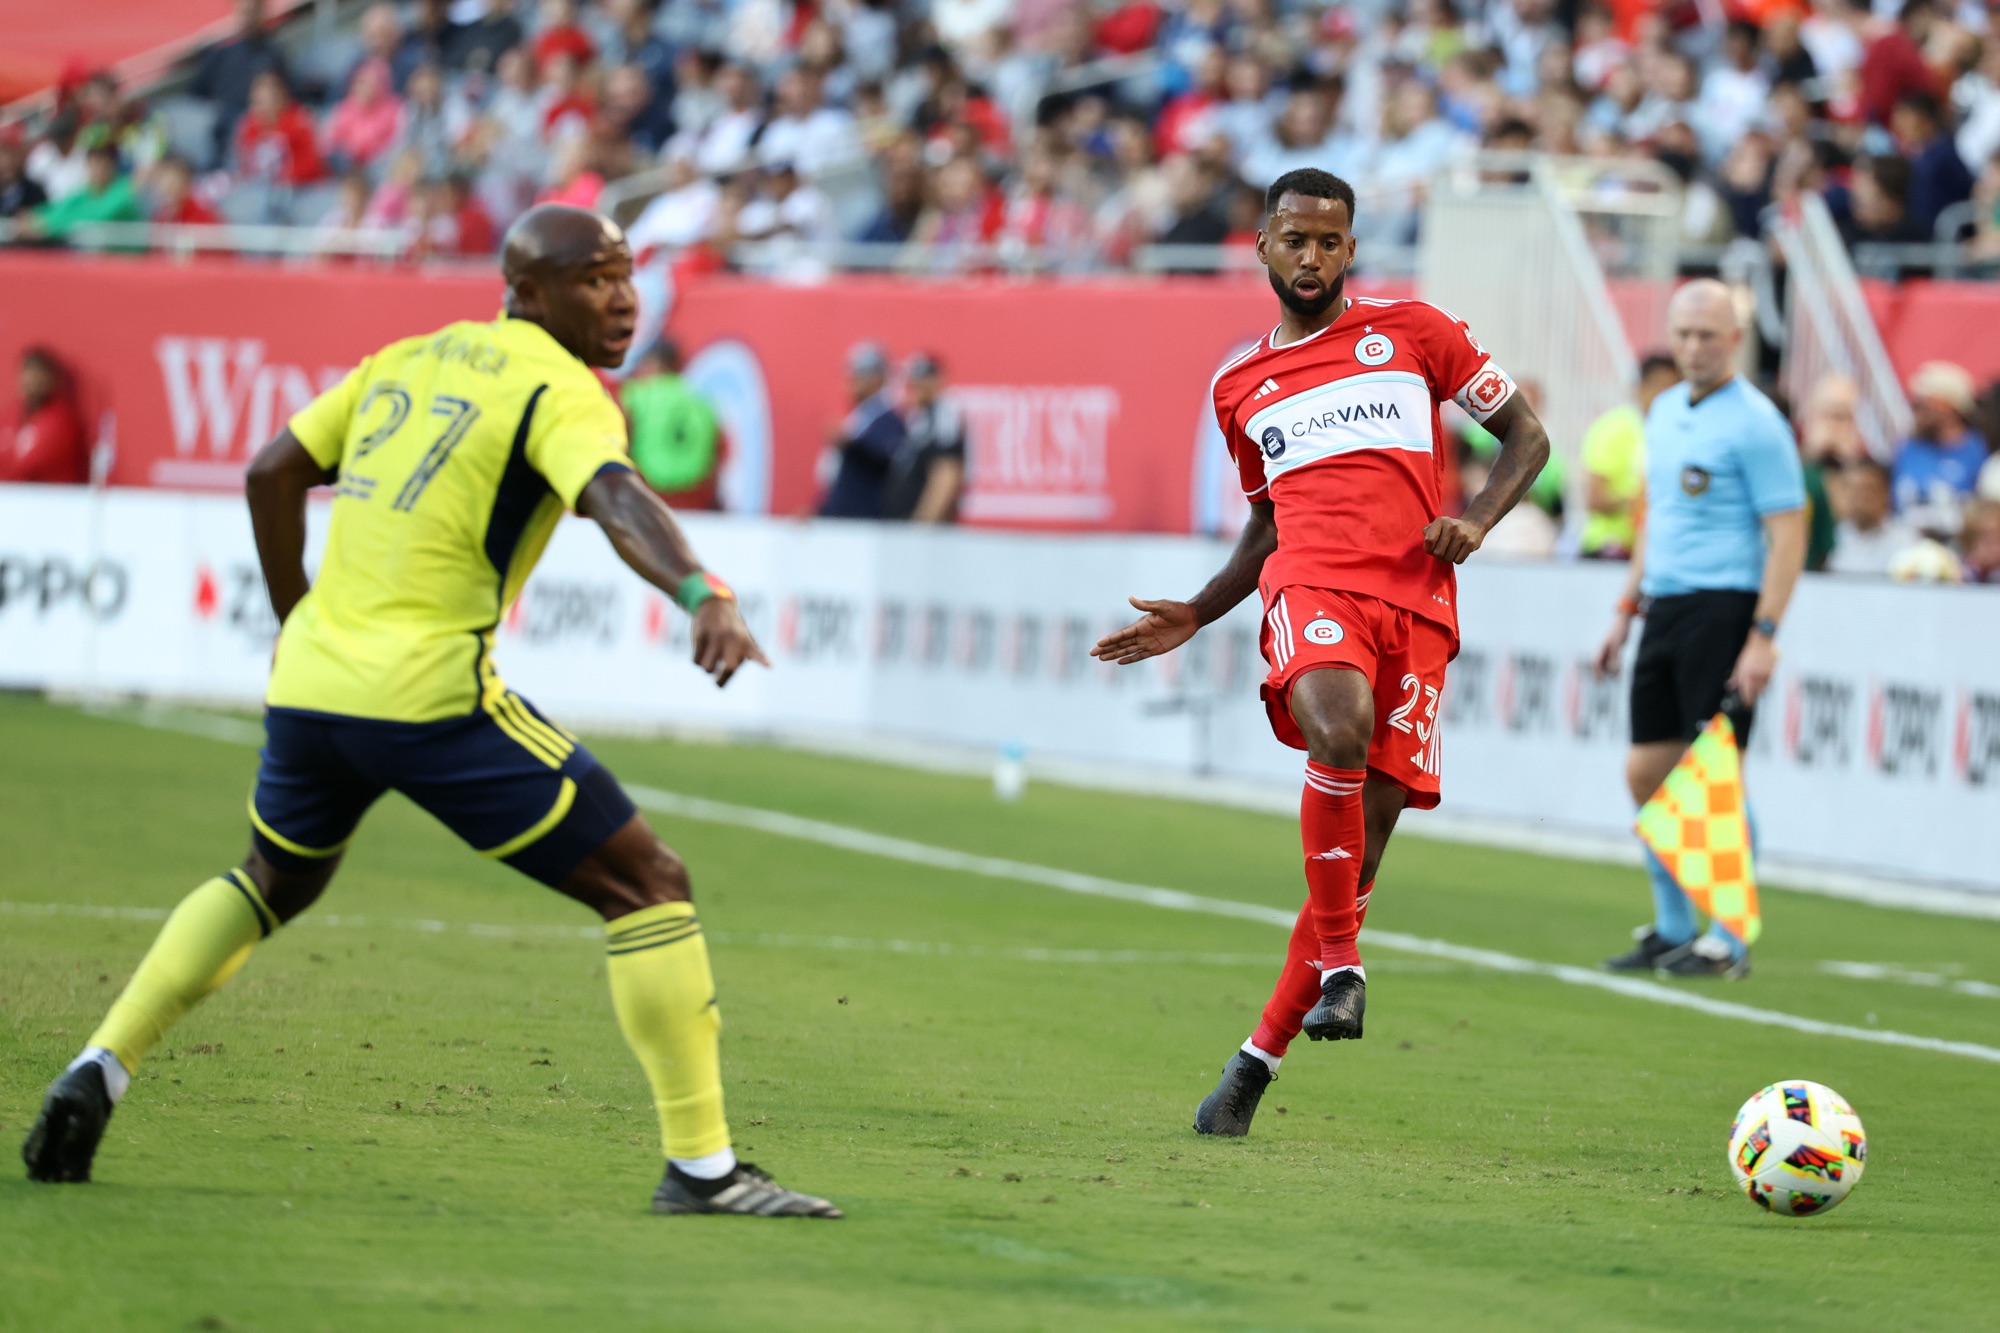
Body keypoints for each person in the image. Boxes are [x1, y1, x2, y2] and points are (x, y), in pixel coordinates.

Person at [20, 205, 841, 1221]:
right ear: (528, 293)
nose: (624, 299)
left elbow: (272, 470)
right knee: (648, 884)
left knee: (272, 878)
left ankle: (100, 1064)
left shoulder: (406, 358)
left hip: (312, 686)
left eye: (627, 275)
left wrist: (296, 618)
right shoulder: (558, 388)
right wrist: (702, 590)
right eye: (595, 280)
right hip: (429, 697)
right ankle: (705, 1172)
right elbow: (617, 498)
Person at [1091, 169, 1550, 1137]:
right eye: (1294, 239)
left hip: (1417, 605)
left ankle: (1251, 1065)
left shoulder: (1418, 332)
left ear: (1350, 249)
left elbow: (1526, 437)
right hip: (1312, 583)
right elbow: (1267, 524)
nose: (1311, 257)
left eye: (1329, 241)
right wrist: (1201, 610)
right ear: (1262, 244)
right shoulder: (1238, 386)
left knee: (1362, 852)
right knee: (1335, 729)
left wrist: (1474, 519)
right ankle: (1344, 963)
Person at [1594, 280, 1807, 982]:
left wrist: (1763, 635)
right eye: (1683, 334)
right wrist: (1625, 609)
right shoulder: (1662, 412)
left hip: (1725, 607)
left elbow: (1788, 534)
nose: (1693, 347)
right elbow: (1657, 518)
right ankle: (1673, 926)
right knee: (1646, 772)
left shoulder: (1757, 423)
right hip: (1665, 607)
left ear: (1735, 340)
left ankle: (1729, 937)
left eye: (1708, 335)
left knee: (1715, 774)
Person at [1579, 353, 1681, 559]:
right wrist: (1636, 502)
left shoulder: (1680, 432)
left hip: (1658, 550)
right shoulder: (1613, 429)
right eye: (1659, 386)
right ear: (1640, 388)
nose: (1665, 396)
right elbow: (1594, 499)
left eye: (1673, 389)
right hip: (1610, 548)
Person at [621, 339, 724, 509]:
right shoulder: (703, 401)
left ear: (653, 364)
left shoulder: (636, 395)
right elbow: (719, 453)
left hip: (647, 498)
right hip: (696, 500)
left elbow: (619, 444)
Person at [1893, 360, 1989, 537]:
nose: (1916, 410)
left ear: (1948, 407)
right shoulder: (1908, 446)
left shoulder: (1976, 450)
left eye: (1922, 404)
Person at [818, 343, 907, 519]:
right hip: (844, 518)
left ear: (879, 378)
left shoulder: (889, 419)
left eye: (860, 374)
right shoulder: (860, 417)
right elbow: (844, 480)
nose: (852, 380)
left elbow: (885, 459)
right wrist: (819, 511)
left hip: (866, 522)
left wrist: (851, 443)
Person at [884, 352, 967, 523]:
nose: (918, 384)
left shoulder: (943, 417)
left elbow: (946, 475)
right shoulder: (919, 418)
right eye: (915, 378)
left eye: (924, 378)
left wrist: (923, 526)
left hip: (926, 531)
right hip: (904, 526)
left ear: (939, 380)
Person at [3, 347, 89, 484]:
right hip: (12, 494)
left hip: (50, 495)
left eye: (38, 377)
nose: (32, 384)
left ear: (52, 380)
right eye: (27, 376)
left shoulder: (61, 422)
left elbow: (27, 468)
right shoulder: (12, 414)